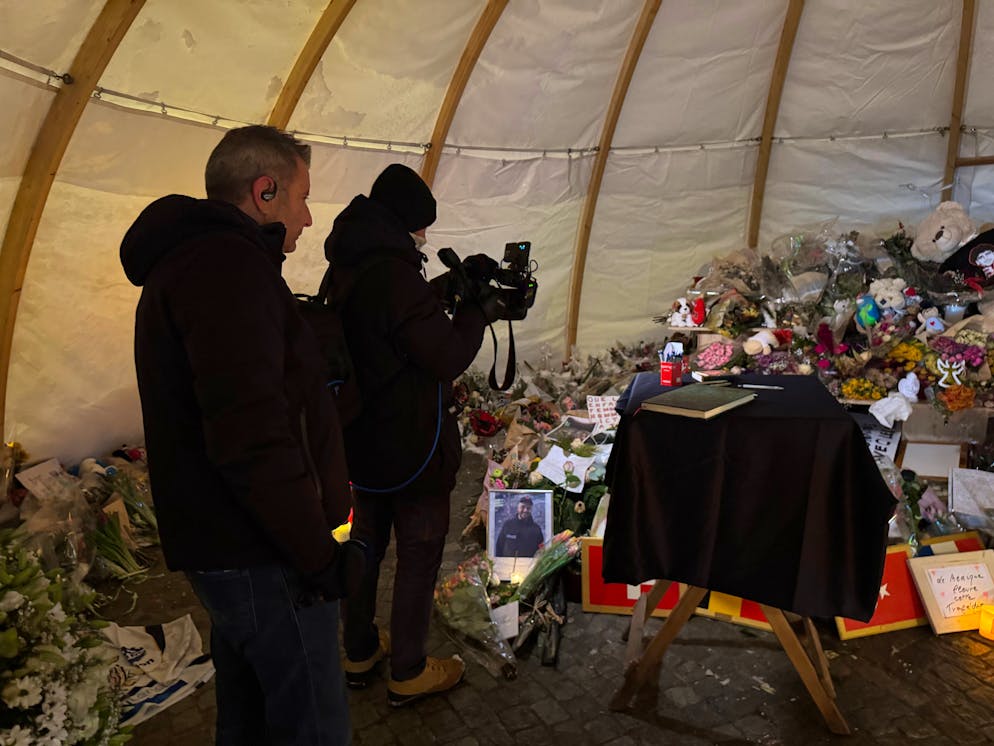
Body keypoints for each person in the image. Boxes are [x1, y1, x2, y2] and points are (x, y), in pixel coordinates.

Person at [120, 125, 364, 745]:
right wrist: (318, 555)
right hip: (262, 555)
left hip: (230, 548)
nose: (308, 218)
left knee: (251, 715)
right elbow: (252, 437)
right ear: (264, 191)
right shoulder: (227, 269)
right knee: (310, 724)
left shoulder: (196, 264)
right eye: (301, 198)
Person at [323, 163, 501, 706]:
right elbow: (445, 355)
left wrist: (446, 288)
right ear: (402, 222)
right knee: (420, 553)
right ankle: (408, 668)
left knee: (365, 545)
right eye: (420, 228)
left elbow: (392, 324)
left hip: (361, 442)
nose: (424, 238)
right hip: (411, 448)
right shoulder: (395, 275)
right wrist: (475, 310)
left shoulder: (350, 267)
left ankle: (358, 650)